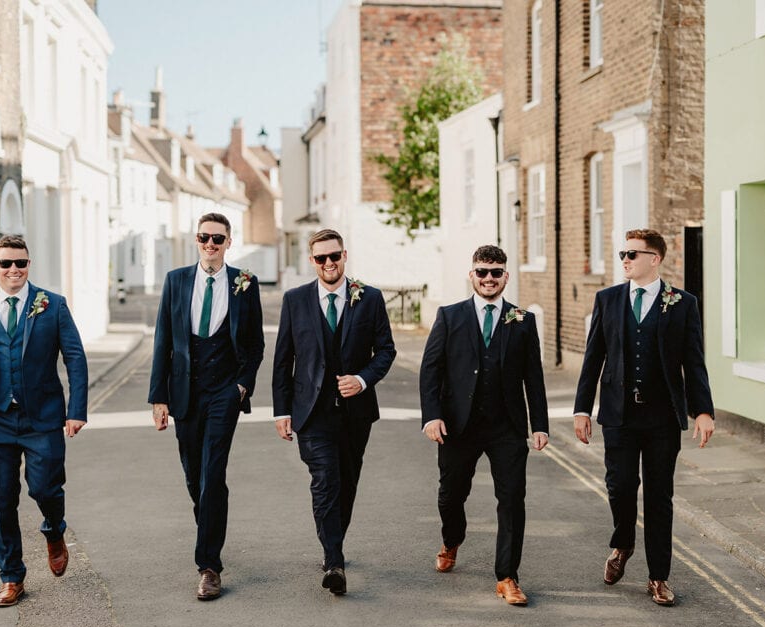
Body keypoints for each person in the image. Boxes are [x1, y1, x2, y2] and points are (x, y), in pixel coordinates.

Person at [573, 228, 715, 606]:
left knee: (659, 496)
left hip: (662, 418)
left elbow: (693, 361)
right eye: (623, 253)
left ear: (655, 259)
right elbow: (593, 358)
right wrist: (582, 408)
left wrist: (702, 411)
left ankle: (658, 577)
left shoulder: (682, 303)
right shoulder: (608, 299)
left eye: (633, 254)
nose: (625, 260)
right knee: (619, 486)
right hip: (618, 415)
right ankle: (622, 543)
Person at [0, 234, 88, 607]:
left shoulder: (52, 305)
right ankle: (12, 577)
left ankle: (54, 530)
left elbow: (74, 358)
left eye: (21, 263)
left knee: (45, 488)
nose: (14, 270)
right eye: (6, 263)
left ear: (29, 265)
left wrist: (76, 410)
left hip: (41, 418)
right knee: (1, 500)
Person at [419, 245, 549, 607]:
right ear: (472, 275)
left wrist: (540, 424)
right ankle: (452, 539)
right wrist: (432, 416)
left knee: (511, 499)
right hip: (458, 425)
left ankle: (507, 576)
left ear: (506, 276)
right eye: (482, 272)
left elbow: (533, 378)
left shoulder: (523, 320)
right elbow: (431, 370)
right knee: (451, 495)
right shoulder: (449, 316)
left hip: (506, 426)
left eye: (495, 272)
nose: (488, 278)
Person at [272, 228, 396, 596]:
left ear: (345, 256)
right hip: (311, 411)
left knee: (347, 482)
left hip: (356, 412)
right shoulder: (295, 300)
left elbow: (386, 351)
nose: (329, 263)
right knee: (325, 481)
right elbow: (283, 360)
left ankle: (334, 544)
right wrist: (281, 411)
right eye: (321, 258)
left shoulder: (369, 298)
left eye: (335, 256)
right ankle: (334, 561)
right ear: (312, 262)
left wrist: (362, 379)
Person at [148, 212, 264, 601]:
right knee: (194, 477)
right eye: (204, 238)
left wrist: (242, 386)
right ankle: (209, 527)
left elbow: (255, 344)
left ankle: (209, 565)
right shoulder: (176, 280)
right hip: (184, 391)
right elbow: (163, 339)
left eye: (218, 238)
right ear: (195, 241)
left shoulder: (244, 284)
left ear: (229, 242)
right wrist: (159, 396)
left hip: (224, 393)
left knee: (213, 472)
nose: (210, 244)